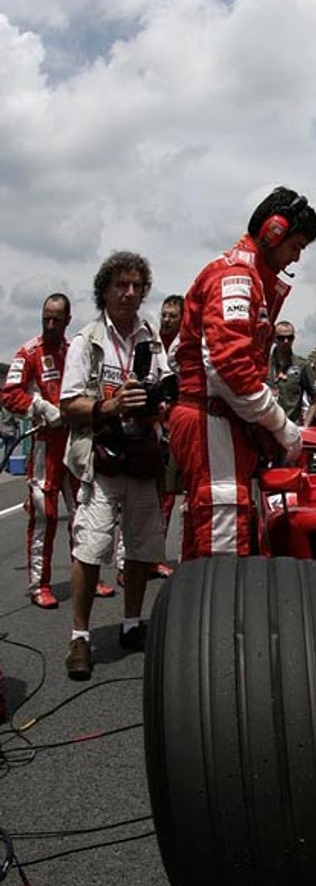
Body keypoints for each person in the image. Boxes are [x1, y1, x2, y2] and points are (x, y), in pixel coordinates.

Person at [170, 187, 316, 558]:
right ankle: (220, 616)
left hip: (219, 416)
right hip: (211, 416)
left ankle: (199, 612)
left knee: (213, 531)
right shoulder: (236, 276)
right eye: (297, 245)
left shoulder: (246, 275)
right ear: (273, 231)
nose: (296, 256)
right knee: (225, 529)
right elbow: (229, 367)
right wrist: (283, 427)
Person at [60, 252, 172, 679]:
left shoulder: (152, 338)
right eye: (120, 285)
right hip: (102, 459)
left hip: (142, 457)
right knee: (90, 548)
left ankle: (131, 624)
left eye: (136, 286)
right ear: (104, 290)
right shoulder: (87, 339)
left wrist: (158, 399)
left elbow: (163, 388)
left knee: (142, 547)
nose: (129, 293)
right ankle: (80, 637)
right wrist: (111, 404)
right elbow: (68, 403)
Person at [2, 293, 81, 608]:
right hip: (45, 446)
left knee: (84, 514)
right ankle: (39, 585)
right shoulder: (29, 352)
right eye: (46, 318)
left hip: (75, 444)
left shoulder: (77, 351)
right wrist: (41, 408)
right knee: (44, 515)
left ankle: (86, 578)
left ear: (67, 320)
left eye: (56, 319)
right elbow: (9, 394)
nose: (50, 324)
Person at [267, 321, 316, 425]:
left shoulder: (302, 365)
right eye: (281, 338)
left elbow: (315, 399)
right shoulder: (263, 364)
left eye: (290, 338)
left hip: (291, 426)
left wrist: (305, 426)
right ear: (273, 339)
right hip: (265, 427)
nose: (286, 341)